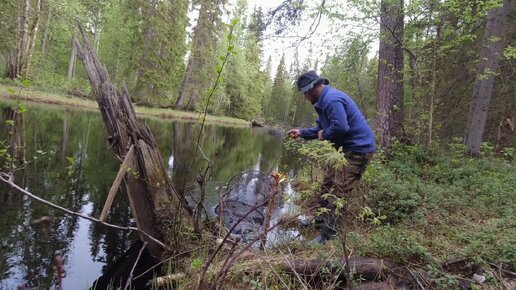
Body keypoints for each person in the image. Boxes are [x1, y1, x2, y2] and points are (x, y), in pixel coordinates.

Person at [288, 70, 376, 244]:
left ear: (312, 89)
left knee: (339, 192)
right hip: (343, 151)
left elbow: (341, 127)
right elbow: (320, 129)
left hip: (358, 150)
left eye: (305, 93)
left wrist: (324, 134)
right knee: (327, 185)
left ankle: (328, 235)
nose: (305, 97)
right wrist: (302, 133)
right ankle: (320, 221)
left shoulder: (331, 99)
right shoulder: (323, 102)